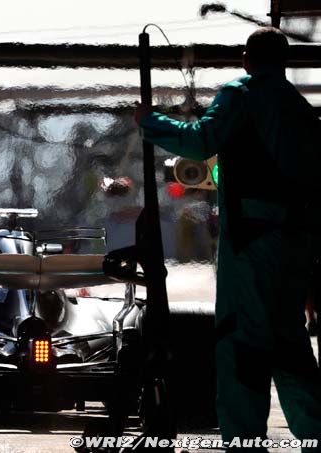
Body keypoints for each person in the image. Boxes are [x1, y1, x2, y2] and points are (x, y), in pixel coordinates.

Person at [134, 27, 321, 450]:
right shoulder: (301, 109)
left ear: (246, 59)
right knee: (289, 343)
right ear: (285, 62)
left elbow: (200, 141)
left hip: (251, 243)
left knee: (242, 342)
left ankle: (244, 440)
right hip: (296, 245)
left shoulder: (241, 94)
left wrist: (149, 120)